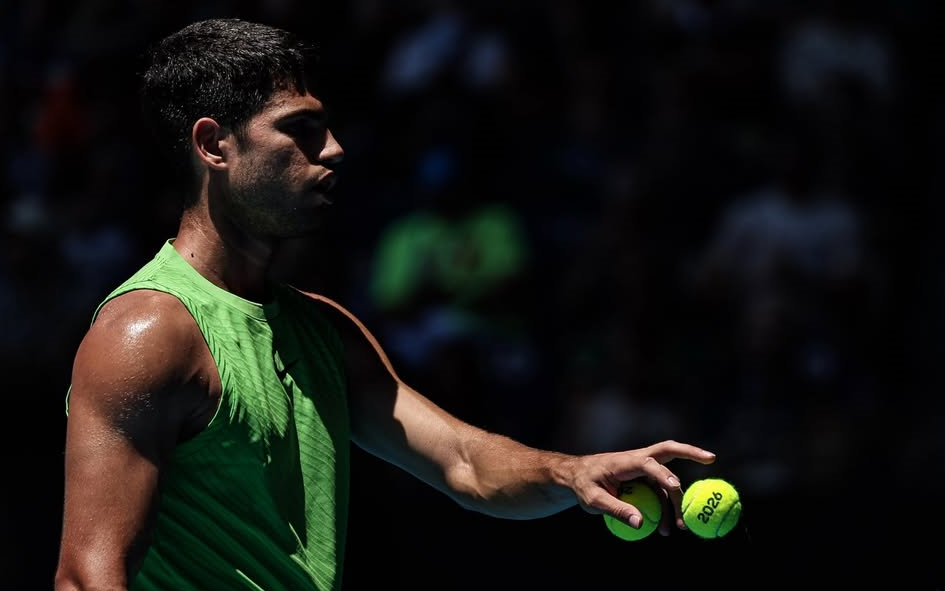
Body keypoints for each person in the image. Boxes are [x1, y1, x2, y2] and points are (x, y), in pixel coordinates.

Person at [54, 17, 717, 591]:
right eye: (300, 130)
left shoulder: (322, 330)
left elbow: (464, 461)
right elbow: (88, 574)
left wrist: (570, 470)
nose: (334, 149)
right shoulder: (147, 332)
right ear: (213, 145)